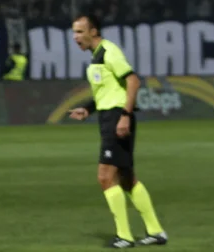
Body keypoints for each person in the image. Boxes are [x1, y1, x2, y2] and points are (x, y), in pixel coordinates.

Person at [67, 14, 168, 248]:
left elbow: (133, 81)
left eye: (80, 32)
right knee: (126, 178)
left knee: (105, 177)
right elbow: (108, 91)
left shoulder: (109, 51)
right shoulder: (96, 57)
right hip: (108, 116)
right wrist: (87, 109)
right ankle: (156, 232)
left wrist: (124, 116)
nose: (75, 37)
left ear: (94, 32)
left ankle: (124, 236)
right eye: (74, 32)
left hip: (117, 118)